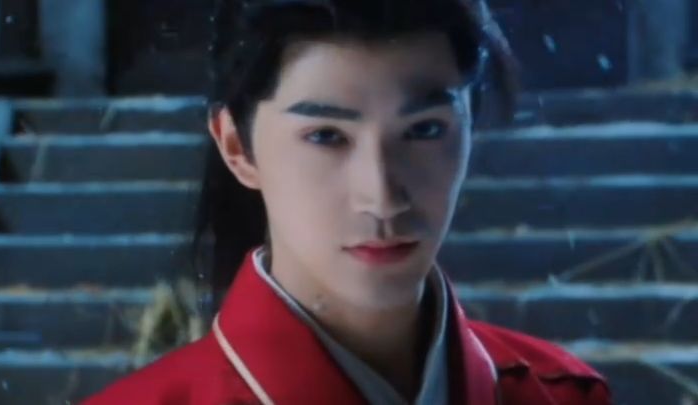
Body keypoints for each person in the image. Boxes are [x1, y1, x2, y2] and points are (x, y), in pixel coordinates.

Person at [83, 0, 611, 404]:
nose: (382, 197)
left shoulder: (563, 396)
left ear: (471, 124)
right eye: (326, 136)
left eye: (425, 129)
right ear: (237, 146)